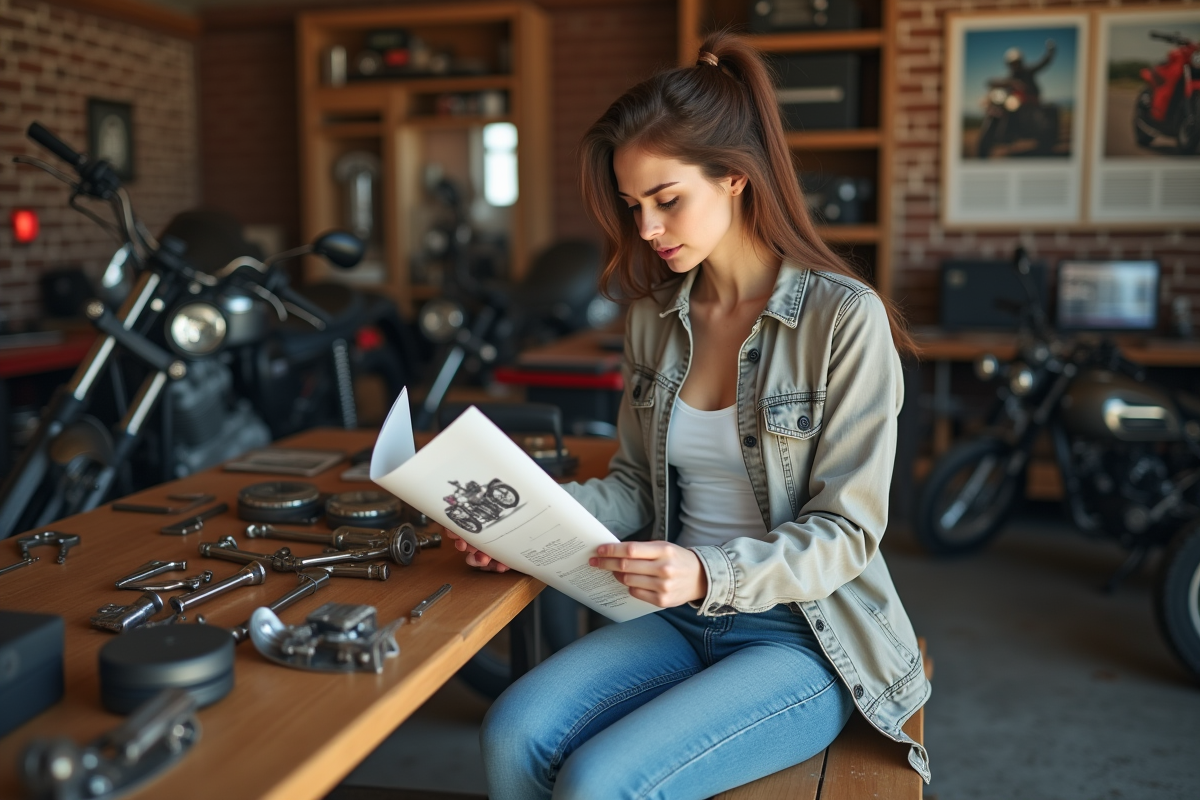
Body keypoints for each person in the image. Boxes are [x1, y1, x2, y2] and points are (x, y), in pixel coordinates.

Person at [445, 30, 931, 800]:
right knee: (512, 732)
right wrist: (525, 522)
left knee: (598, 781)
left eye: (667, 200)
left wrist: (709, 571)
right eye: (633, 205)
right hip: (673, 619)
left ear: (735, 179)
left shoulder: (843, 320)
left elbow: (849, 533)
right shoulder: (654, 318)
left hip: (802, 638)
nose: (645, 229)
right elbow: (634, 485)